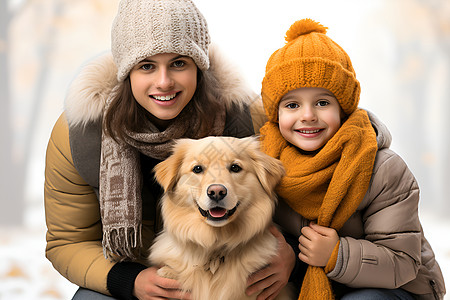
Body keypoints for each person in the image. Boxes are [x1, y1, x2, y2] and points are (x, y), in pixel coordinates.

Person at [44, 0, 297, 299]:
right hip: (141, 278)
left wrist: (290, 255)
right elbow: (67, 241)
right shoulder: (80, 133)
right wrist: (128, 281)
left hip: (240, 270)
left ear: (198, 67)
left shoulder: (248, 118)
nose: (164, 82)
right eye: (146, 66)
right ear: (126, 72)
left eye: (179, 63)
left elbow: (302, 207)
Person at [259, 18, 446, 300]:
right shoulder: (266, 162)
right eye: (292, 104)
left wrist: (337, 254)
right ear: (276, 114)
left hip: (395, 287)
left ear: (343, 109)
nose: (308, 115)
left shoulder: (381, 168)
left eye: (322, 103)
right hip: (322, 280)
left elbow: (403, 262)